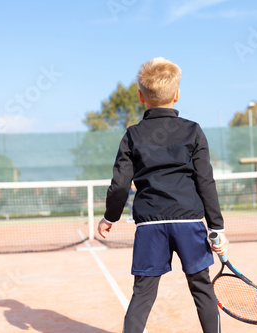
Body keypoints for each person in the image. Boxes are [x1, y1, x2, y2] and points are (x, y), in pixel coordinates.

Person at [98, 57, 229, 333]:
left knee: (143, 293)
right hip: (188, 222)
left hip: (149, 225)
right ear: (177, 94)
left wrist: (110, 217)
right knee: (202, 288)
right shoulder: (193, 131)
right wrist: (216, 227)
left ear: (140, 96)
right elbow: (205, 181)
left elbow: (120, 184)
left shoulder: (132, 135)